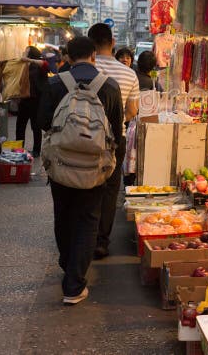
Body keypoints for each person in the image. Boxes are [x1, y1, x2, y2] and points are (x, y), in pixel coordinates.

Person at [37, 36, 123, 305]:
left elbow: (41, 122)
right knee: (88, 220)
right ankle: (74, 284)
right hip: (94, 169)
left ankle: (68, 266)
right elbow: (117, 134)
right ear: (94, 56)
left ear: (68, 58)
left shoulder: (54, 84)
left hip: (61, 167)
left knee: (63, 216)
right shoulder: (109, 86)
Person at [87, 23, 140, 259]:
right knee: (110, 189)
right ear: (113, 43)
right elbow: (133, 110)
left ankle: (83, 237)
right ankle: (101, 241)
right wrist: (117, 122)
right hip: (115, 138)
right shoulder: (129, 73)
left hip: (84, 136)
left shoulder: (84, 70)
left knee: (85, 186)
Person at [17, 46, 48, 156]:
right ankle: (18, 148)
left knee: (35, 126)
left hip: (36, 100)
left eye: (26, 50)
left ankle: (36, 150)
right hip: (24, 100)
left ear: (31, 54)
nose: (24, 51)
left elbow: (45, 65)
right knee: (20, 126)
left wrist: (28, 60)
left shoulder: (38, 64)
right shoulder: (23, 65)